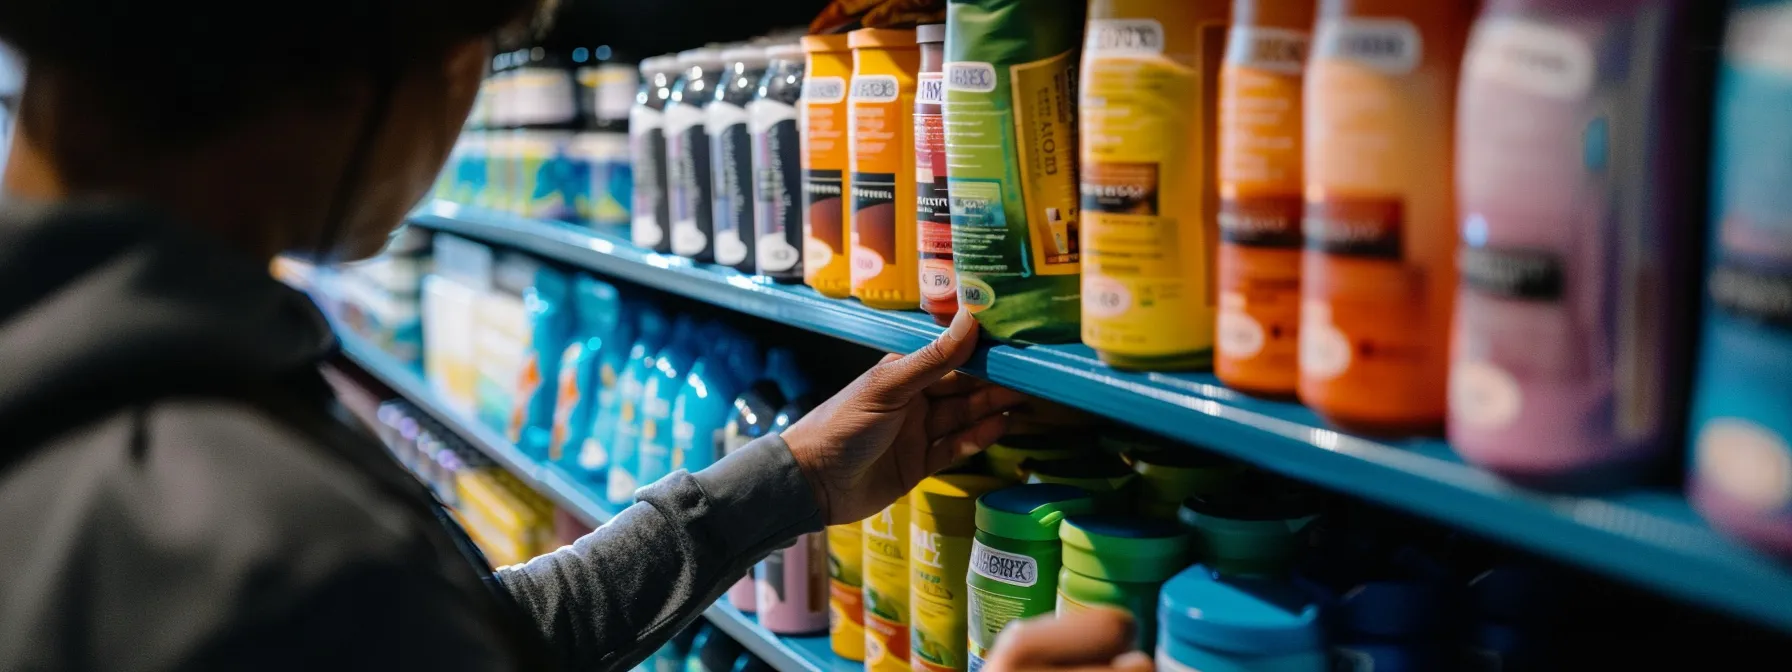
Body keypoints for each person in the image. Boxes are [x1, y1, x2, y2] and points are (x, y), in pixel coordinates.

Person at [0, 2, 1156, 671]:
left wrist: (784, 481)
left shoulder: (121, 413)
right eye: (467, 66)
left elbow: (469, 645)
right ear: (354, 82)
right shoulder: (257, 543)